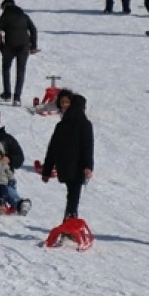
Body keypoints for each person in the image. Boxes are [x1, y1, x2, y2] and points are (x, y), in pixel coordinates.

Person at [40, 93, 94, 222]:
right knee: (74, 195)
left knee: (71, 194)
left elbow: (52, 148)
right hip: (78, 166)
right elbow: (88, 146)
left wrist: (47, 170)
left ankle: (69, 220)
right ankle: (70, 222)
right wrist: (88, 166)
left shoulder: (61, 125)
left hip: (63, 166)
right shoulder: (85, 124)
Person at [0, 0, 38, 106]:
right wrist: (33, 45)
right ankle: (17, 98)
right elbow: (33, 30)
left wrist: (2, 47)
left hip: (10, 46)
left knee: (6, 68)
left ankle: (7, 93)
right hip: (24, 46)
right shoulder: (24, 16)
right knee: (21, 71)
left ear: (4, 7)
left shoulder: (4, 17)